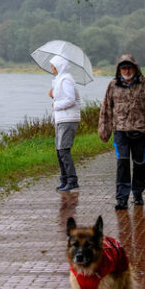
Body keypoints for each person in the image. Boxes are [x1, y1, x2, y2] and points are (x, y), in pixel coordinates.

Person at [98, 54, 145, 209]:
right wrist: (104, 131)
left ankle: (138, 193)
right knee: (123, 164)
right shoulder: (113, 85)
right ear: (119, 70)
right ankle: (122, 198)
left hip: (140, 130)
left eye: (129, 68)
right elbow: (106, 108)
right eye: (124, 68)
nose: (127, 71)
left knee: (140, 164)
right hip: (120, 131)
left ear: (135, 68)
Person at [49, 54, 81, 192]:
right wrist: (52, 95)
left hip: (68, 119)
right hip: (61, 119)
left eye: (53, 66)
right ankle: (64, 179)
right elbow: (61, 96)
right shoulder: (59, 80)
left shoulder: (66, 80)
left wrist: (55, 104)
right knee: (59, 150)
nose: (51, 68)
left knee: (63, 150)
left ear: (58, 66)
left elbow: (70, 99)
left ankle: (72, 180)